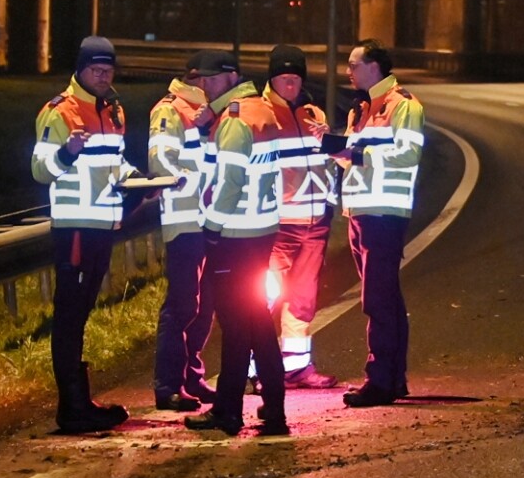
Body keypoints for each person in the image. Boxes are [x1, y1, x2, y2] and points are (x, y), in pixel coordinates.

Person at [181, 52, 289, 437]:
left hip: (233, 235)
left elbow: (227, 182)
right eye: (200, 81)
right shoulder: (261, 110)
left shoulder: (233, 121)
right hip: (261, 231)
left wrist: (210, 229)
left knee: (235, 325)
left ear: (231, 77)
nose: (204, 87)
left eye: (209, 80)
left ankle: (228, 411)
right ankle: (274, 407)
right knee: (258, 320)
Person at [31, 36, 135, 433]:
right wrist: (67, 153)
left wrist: (139, 180)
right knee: (71, 317)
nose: (103, 75)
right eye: (96, 69)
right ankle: (73, 407)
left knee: (81, 313)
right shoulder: (60, 112)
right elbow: (41, 171)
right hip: (74, 229)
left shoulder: (112, 109)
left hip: (102, 228)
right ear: (80, 68)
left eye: (108, 69)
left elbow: (113, 163)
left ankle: (78, 403)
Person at [337, 39, 423, 407]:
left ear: (375, 67)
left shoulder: (403, 105)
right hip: (359, 212)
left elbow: (408, 154)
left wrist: (359, 154)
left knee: (377, 299)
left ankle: (380, 381)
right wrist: (337, 151)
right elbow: (354, 159)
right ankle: (393, 377)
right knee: (384, 297)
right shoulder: (360, 108)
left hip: (385, 213)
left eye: (354, 64)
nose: (348, 70)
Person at [258, 43, 339, 388]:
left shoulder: (314, 115)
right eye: (284, 78)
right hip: (278, 225)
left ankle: (296, 368)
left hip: (315, 223)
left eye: (295, 78)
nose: (290, 84)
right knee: (263, 298)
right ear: (272, 79)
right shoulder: (262, 115)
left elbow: (330, 162)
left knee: (303, 300)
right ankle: (256, 371)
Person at [147, 53, 218, 411]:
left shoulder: (208, 112)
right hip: (185, 219)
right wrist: (205, 135)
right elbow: (161, 164)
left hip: (208, 220)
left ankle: (192, 377)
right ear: (202, 80)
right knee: (182, 304)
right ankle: (168, 386)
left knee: (206, 305)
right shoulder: (169, 111)